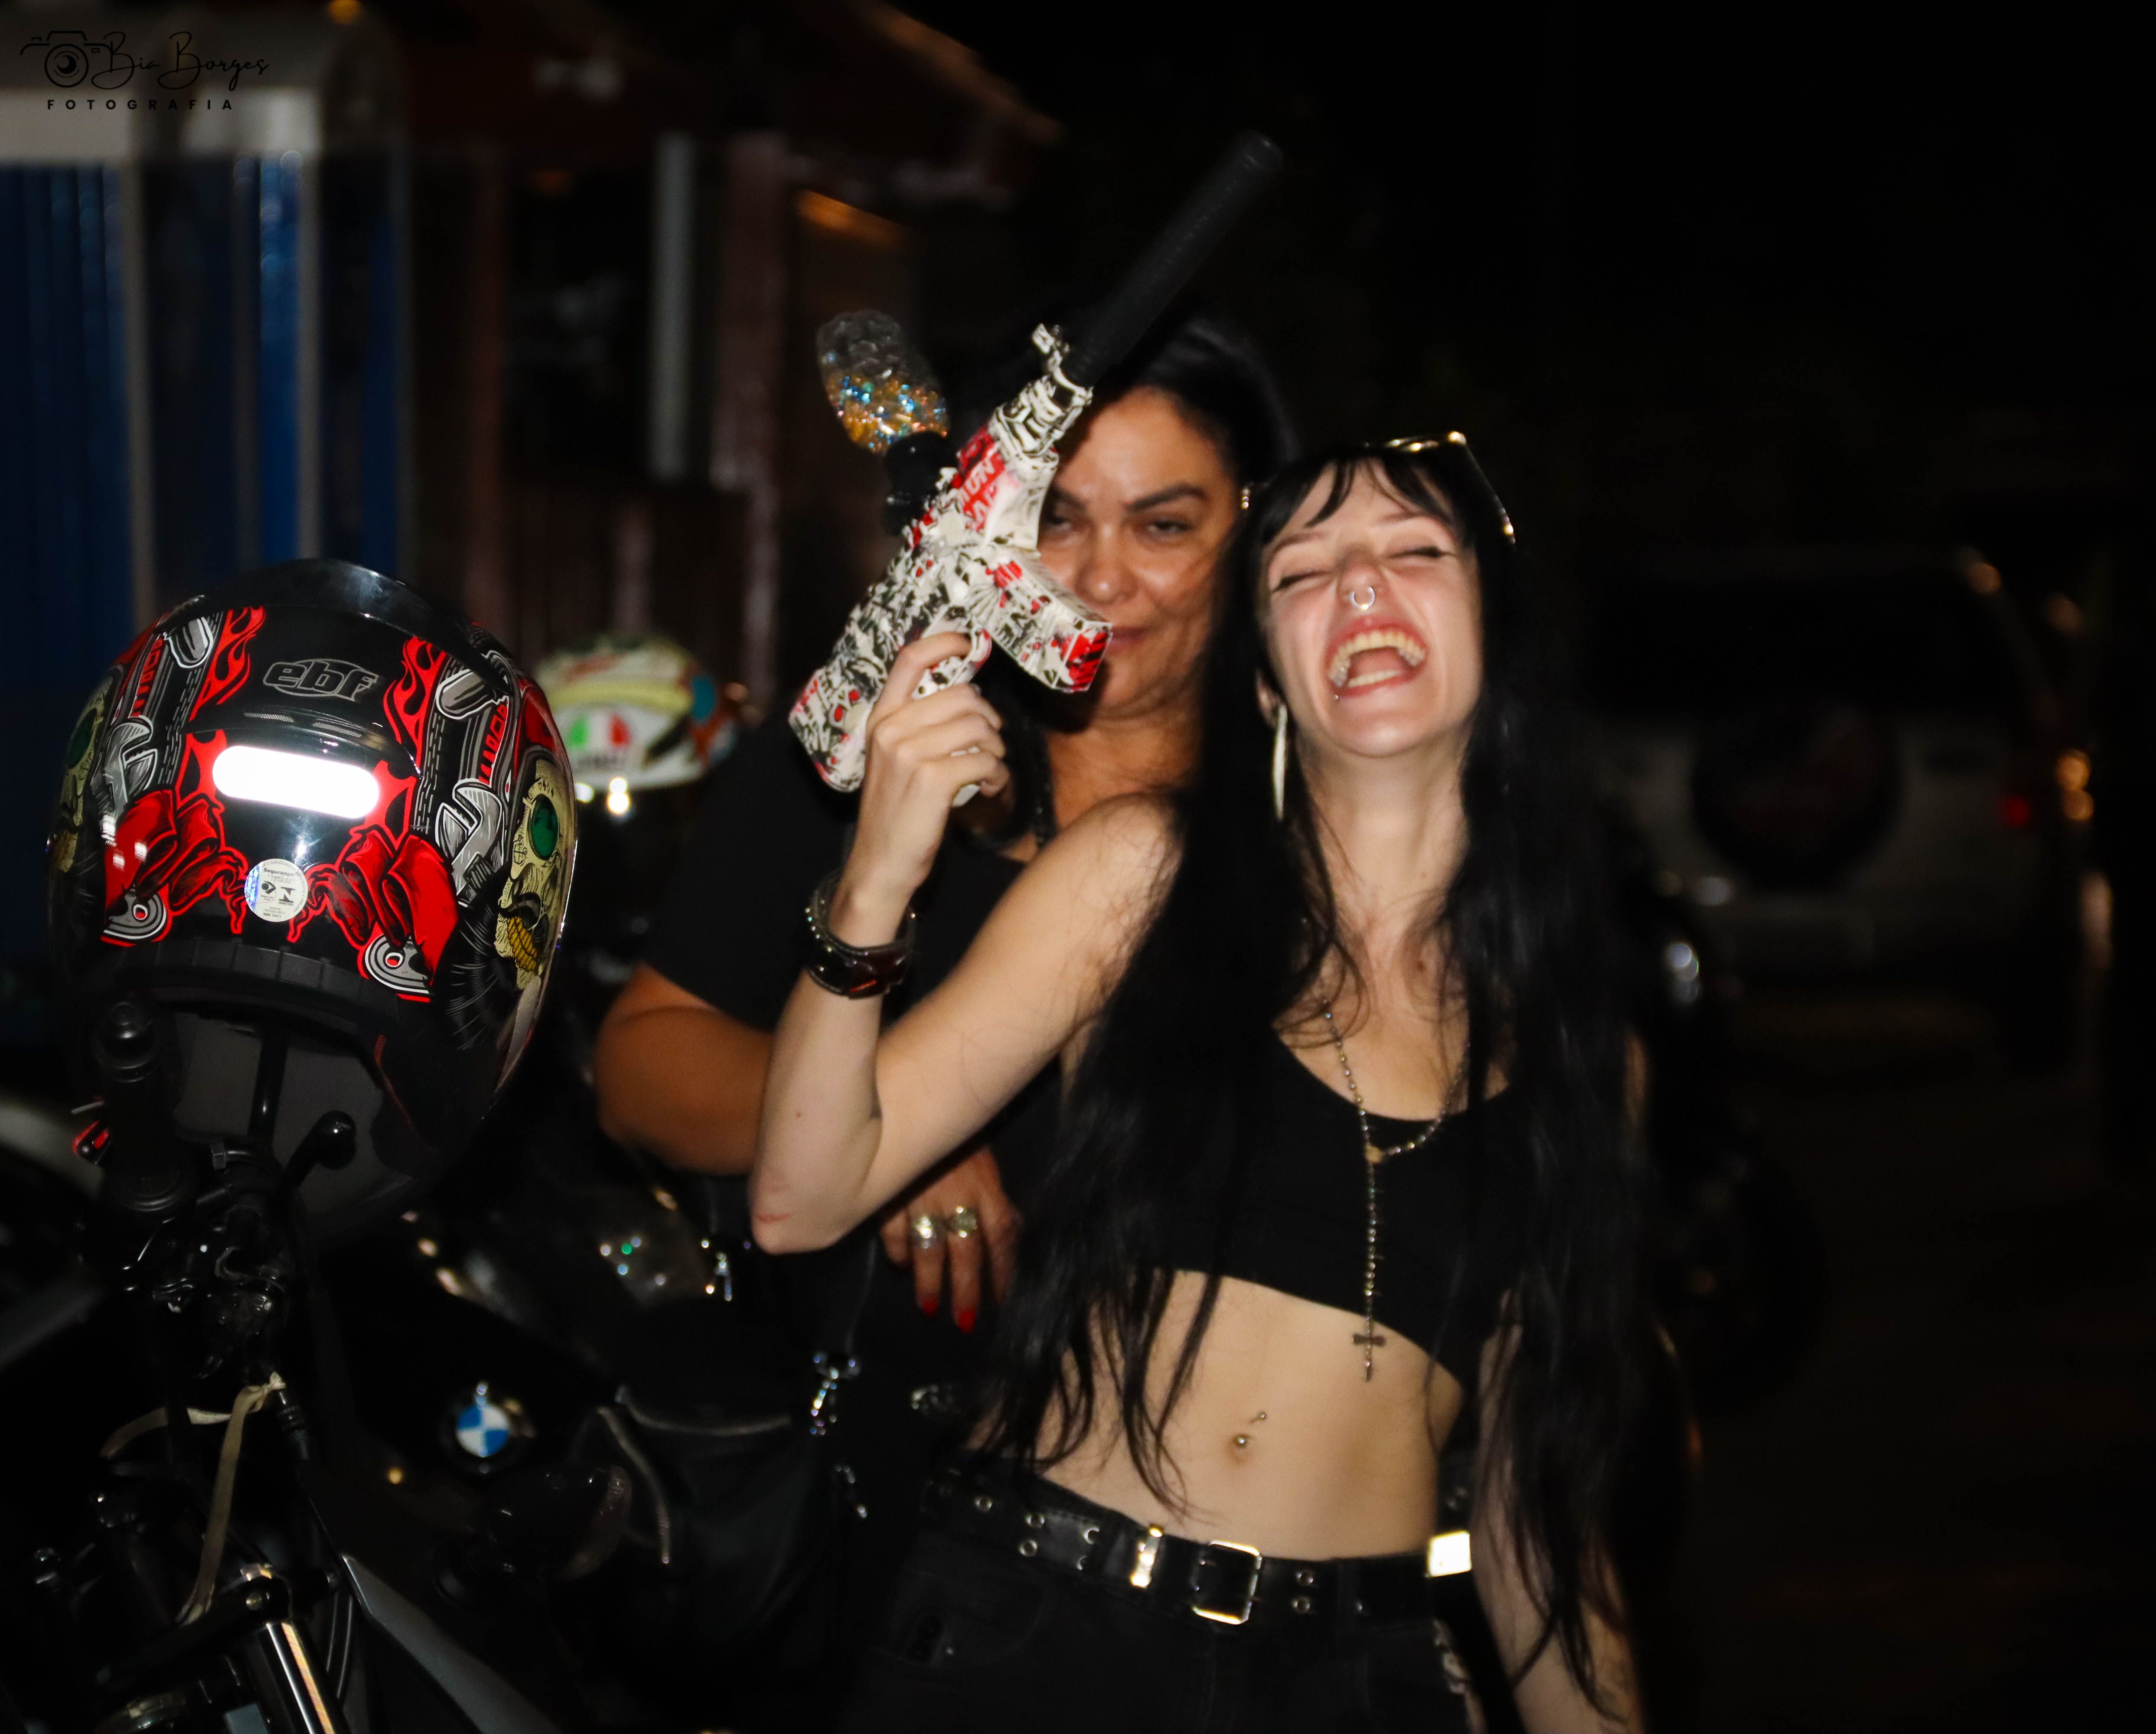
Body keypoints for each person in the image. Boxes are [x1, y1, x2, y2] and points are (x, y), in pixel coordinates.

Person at [751, 438, 1647, 1732]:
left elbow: (1538, 1520)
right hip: (1039, 1635)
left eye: (1414, 552)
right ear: (1268, 683)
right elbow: (800, 1199)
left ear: (1497, 636)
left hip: (1356, 1677)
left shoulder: (1581, 1060)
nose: (1360, 587)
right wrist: (877, 879)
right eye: (1304, 571)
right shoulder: (1143, 877)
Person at [592, 313, 1296, 1703]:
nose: (1104, 578)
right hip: (893, 1512)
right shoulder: (870, 748)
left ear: (1253, 528)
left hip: (1226, 1533)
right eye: (1056, 520)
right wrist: (889, 1121)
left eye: (1166, 525)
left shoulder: (1306, 814)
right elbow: (643, 1067)